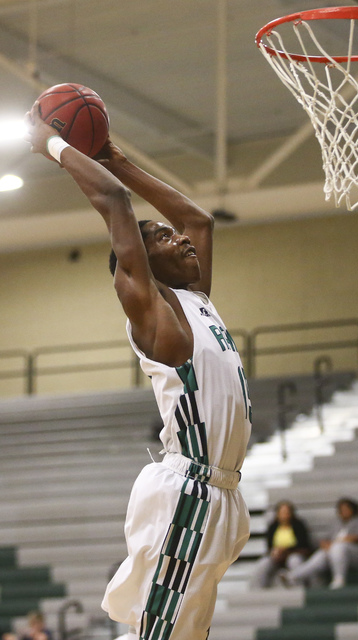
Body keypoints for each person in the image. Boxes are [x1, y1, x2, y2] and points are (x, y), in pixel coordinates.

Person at [25, 103, 252, 640]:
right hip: (189, 487)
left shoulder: (198, 299)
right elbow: (114, 202)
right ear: (140, 264)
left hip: (224, 492)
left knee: (180, 633)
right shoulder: (155, 309)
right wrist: (54, 146)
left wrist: (118, 159)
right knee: (159, 632)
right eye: (162, 238)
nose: (182, 238)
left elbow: (199, 218)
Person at [283, 497, 358, 589]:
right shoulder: (336, 523)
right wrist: (325, 544)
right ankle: (293, 576)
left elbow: (357, 537)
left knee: (338, 547)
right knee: (321, 554)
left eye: (346, 509)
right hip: (334, 556)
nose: (343, 512)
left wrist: (335, 543)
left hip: (356, 555)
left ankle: (339, 579)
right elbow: (326, 539)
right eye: (341, 510)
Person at [252, 500, 313, 589]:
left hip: (293, 554)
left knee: (294, 560)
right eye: (282, 512)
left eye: (287, 512)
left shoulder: (299, 526)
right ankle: (258, 589)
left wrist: (286, 551)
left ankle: (299, 588)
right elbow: (269, 547)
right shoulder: (273, 527)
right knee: (264, 562)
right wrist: (275, 552)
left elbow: (304, 546)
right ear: (277, 514)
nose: (285, 515)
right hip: (277, 557)